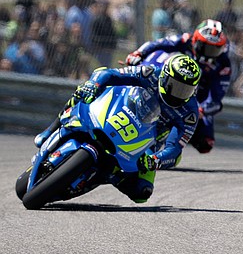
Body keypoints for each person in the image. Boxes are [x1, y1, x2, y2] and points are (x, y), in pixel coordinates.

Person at [33, 54, 201, 203]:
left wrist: (155, 160)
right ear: (165, 77)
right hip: (124, 111)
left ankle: (112, 174)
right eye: (176, 86)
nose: (180, 94)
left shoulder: (190, 113)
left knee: (142, 193)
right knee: (82, 93)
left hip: (149, 141)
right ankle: (50, 130)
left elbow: (175, 149)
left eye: (186, 89)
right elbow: (109, 73)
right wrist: (93, 84)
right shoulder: (150, 74)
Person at [125, 19, 230, 154]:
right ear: (196, 41)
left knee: (206, 143)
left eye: (215, 50)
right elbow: (157, 44)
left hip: (197, 98)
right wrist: (138, 54)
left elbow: (216, 98)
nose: (209, 54)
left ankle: (169, 135)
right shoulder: (185, 39)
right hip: (173, 82)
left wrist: (202, 110)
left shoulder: (223, 63)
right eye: (206, 47)